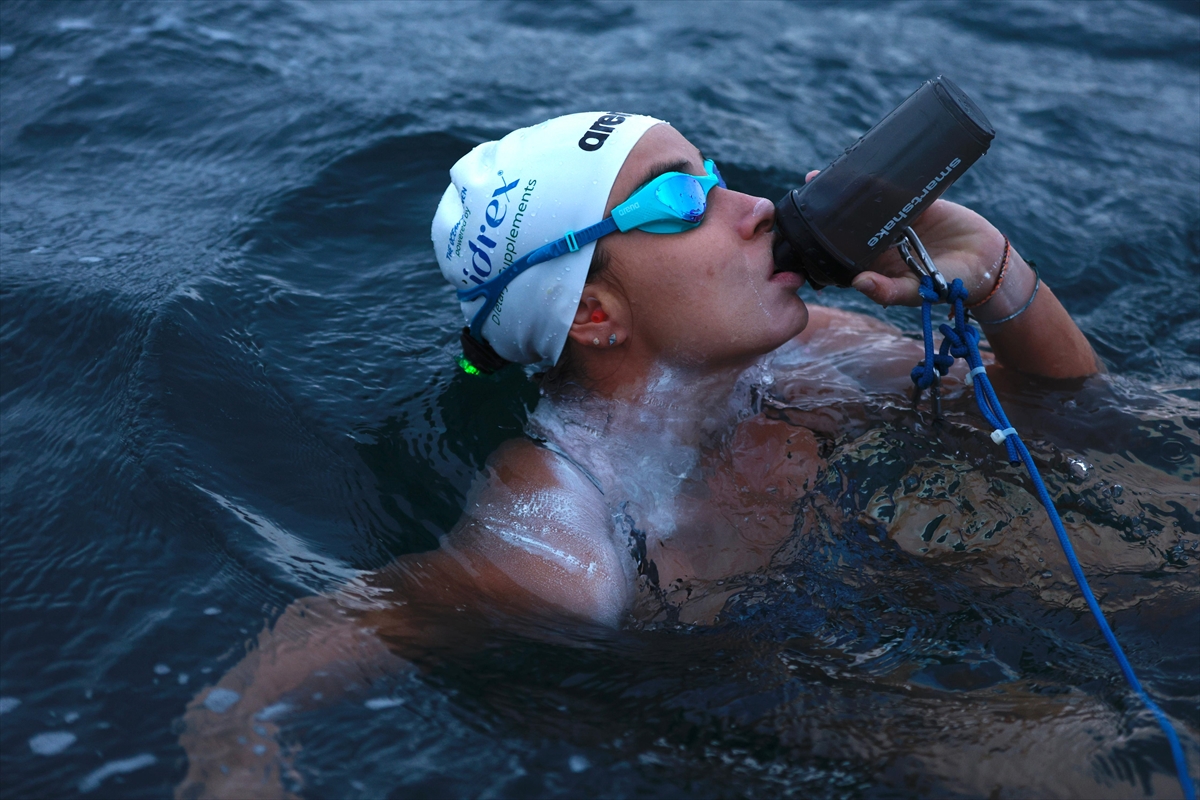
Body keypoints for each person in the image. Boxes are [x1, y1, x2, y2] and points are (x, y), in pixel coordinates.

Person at [176, 112, 1100, 798]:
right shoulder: (567, 533)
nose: (752, 207)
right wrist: (235, 749)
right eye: (675, 201)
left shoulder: (812, 353)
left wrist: (997, 277)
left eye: (714, 173)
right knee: (1091, 753)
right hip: (760, 717)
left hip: (907, 619)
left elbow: (1078, 421)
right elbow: (365, 620)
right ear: (589, 314)